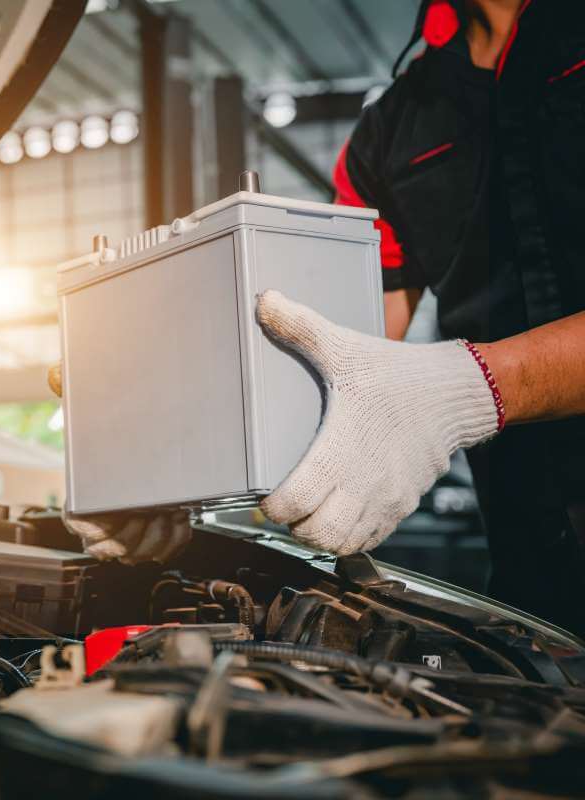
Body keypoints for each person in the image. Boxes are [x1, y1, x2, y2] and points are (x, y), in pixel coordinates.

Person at [62, 0, 585, 637]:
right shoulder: (392, 128)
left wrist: (475, 384)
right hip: (533, 560)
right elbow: (346, 356)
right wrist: (167, 458)